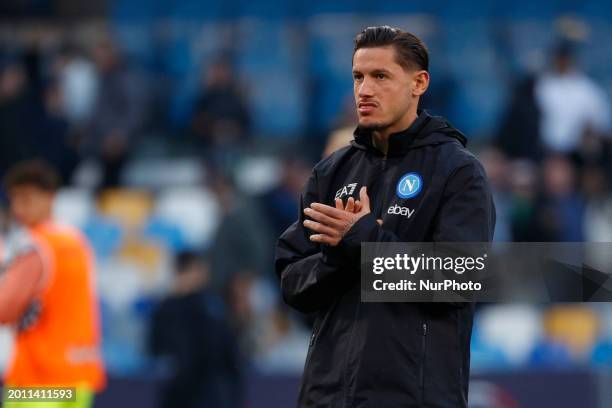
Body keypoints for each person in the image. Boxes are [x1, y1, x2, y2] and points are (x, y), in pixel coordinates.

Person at [275, 26, 495, 407]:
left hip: (412, 397)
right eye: (358, 77)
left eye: (380, 76)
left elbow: (456, 281)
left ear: (418, 83)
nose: (364, 90)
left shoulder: (457, 172)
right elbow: (293, 282)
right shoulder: (331, 172)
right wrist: (340, 254)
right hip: (326, 396)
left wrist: (362, 240)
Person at [1, 160, 105, 408]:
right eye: (15, 199)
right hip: (79, 377)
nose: (18, 208)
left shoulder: (32, 245)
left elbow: (5, 307)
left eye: (26, 199)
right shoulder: (78, 241)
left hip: (38, 381)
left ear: (49, 197)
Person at [149, 251, 243, 408]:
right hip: (184, 394)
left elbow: (227, 354)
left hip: (207, 394)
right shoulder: (171, 309)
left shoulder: (210, 307)